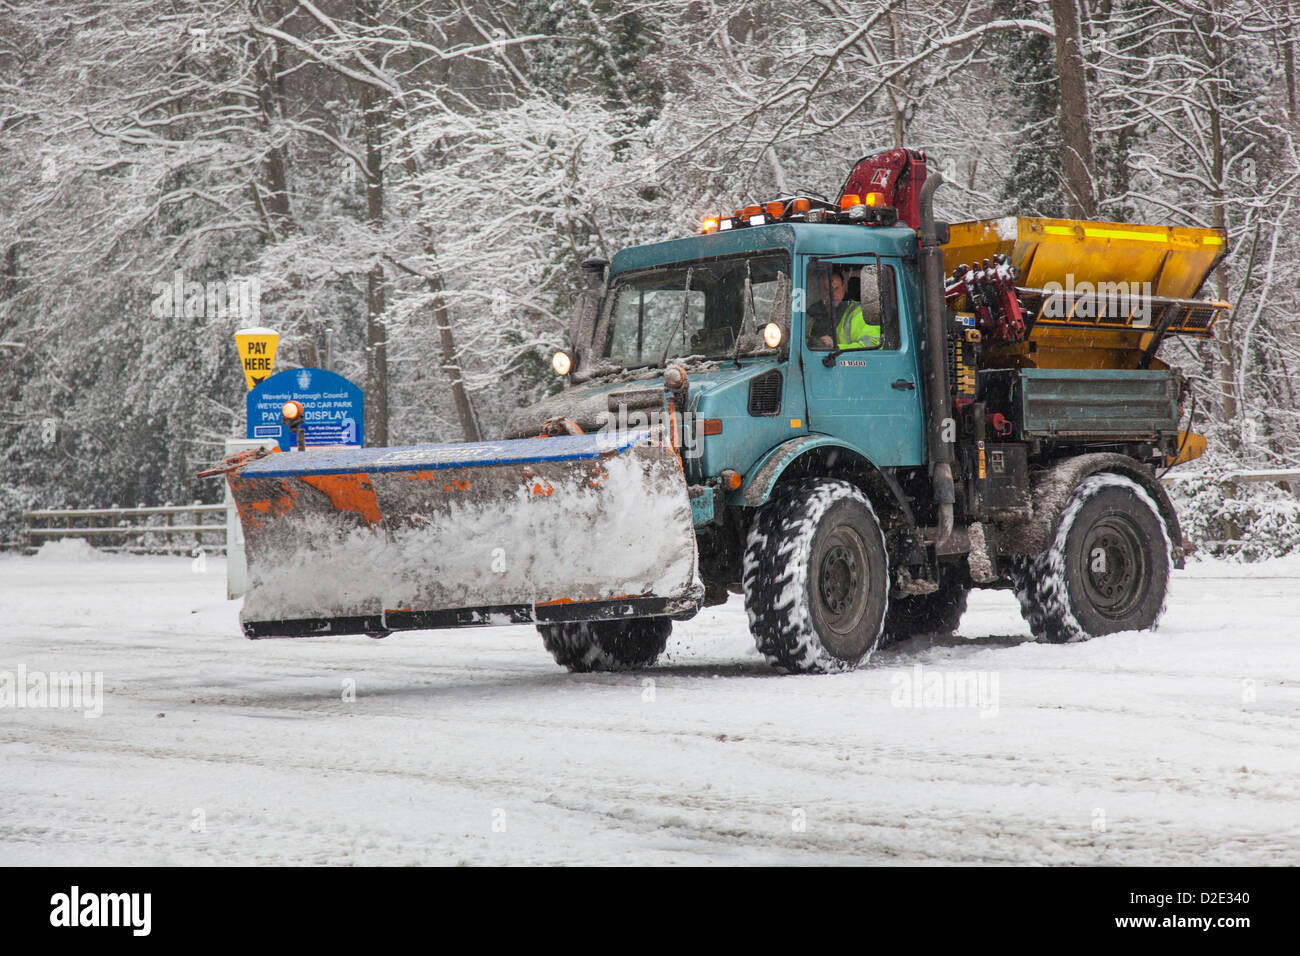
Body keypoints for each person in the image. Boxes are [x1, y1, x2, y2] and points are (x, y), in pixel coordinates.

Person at [811, 267, 881, 350]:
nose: (832, 294)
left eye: (836, 289)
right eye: (827, 290)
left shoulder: (859, 314)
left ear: (844, 289)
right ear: (820, 291)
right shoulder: (814, 315)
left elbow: (871, 347)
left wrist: (835, 347)